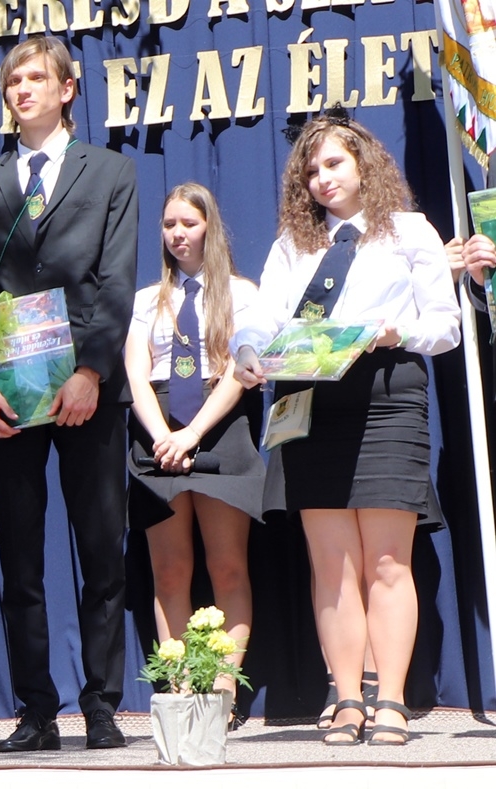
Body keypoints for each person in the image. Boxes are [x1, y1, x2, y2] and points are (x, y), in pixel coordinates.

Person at [232, 114, 459, 746]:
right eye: (311, 171)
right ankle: (347, 698)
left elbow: (445, 326)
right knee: (331, 564)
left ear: (364, 164)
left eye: (333, 163)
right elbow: (262, 316)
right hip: (309, 400)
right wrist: (247, 349)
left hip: (388, 394)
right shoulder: (294, 243)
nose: (322, 179)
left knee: (387, 560)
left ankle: (391, 700)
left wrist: (396, 331)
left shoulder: (408, 230)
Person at [0, 35, 137, 751]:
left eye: (36, 78)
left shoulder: (111, 171)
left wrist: (92, 372)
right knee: (20, 555)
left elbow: (116, 282)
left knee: (101, 550)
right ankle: (35, 710)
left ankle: (101, 704)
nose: (22, 89)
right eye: (12, 81)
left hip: (90, 389)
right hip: (10, 392)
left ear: (67, 89)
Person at [123, 183, 260, 714]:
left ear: (210, 228)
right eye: (169, 225)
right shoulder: (145, 301)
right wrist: (163, 434)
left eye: (189, 223)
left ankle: (224, 689)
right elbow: (136, 373)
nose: (178, 234)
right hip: (157, 432)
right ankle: (180, 690)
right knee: (170, 571)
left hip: (217, 426)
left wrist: (192, 434)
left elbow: (239, 372)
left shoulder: (241, 293)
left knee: (227, 567)